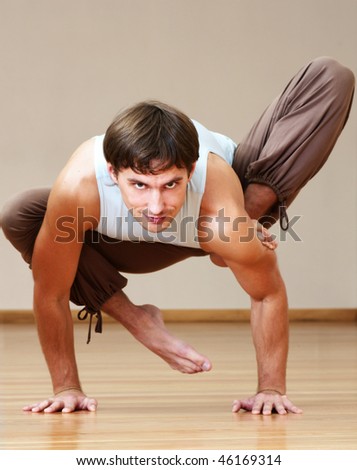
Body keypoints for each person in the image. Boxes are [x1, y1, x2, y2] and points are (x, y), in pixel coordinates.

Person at [1, 57, 354, 415]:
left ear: (191, 170)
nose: (156, 204)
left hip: (207, 223)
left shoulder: (218, 212)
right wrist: (67, 388)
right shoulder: (79, 188)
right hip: (125, 242)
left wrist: (271, 388)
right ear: (112, 172)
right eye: (139, 185)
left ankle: (249, 212)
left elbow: (267, 293)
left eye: (171, 184)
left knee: (332, 75)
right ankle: (140, 319)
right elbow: (51, 294)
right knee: (19, 213)